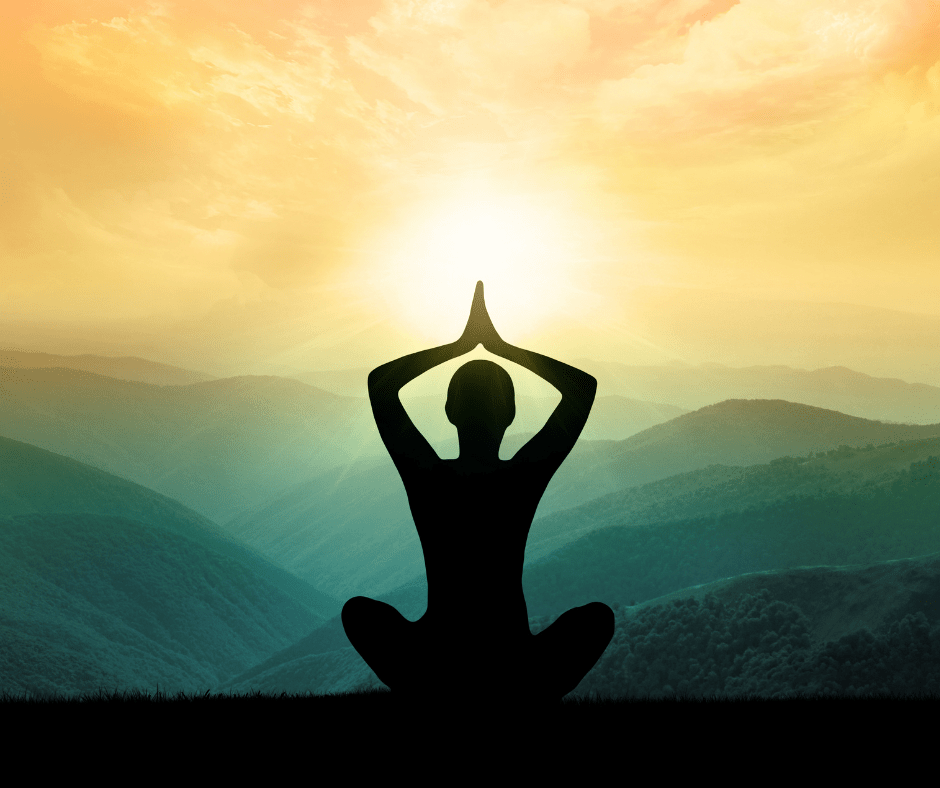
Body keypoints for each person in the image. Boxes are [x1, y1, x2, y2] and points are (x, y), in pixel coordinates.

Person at [342, 281, 614, 708]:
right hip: (513, 662)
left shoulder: (427, 475)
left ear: (449, 412)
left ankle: (430, 691)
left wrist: (460, 345)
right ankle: (520, 695)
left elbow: (381, 385)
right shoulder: (522, 478)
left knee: (359, 613)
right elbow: (582, 388)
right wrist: (501, 347)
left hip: (434, 657)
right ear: (510, 414)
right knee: (597, 619)